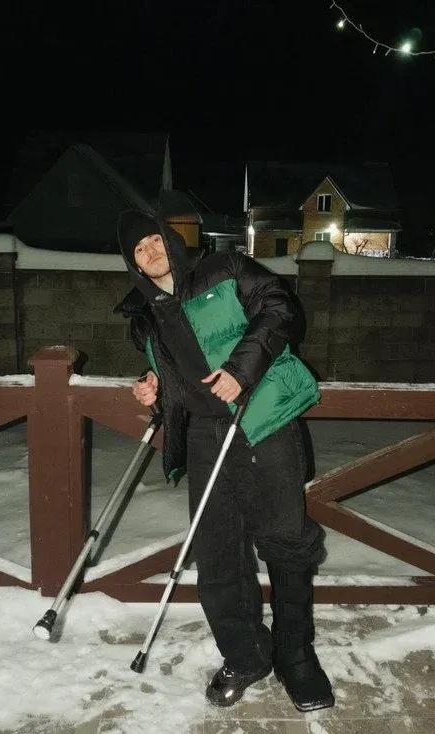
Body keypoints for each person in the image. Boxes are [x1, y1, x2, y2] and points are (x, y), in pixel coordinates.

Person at [115, 209, 334, 712]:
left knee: (286, 542)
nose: (150, 252)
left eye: (154, 240)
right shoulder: (143, 316)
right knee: (217, 554)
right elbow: (176, 372)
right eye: (139, 250)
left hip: (263, 419)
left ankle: (296, 656)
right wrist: (154, 387)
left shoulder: (225, 269)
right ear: (134, 264)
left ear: (171, 239)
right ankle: (246, 654)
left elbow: (280, 306)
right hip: (205, 436)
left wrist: (241, 368)